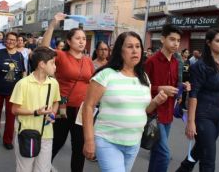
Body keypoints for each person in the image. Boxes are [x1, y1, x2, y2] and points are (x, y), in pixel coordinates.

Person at [82, 31, 167, 172]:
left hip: (134, 143)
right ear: (120, 51)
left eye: (138, 46)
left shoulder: (143, 77)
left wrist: (156, 101)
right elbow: (88, 107)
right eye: (129, 47)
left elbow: (144, 110)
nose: (135, 50)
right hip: (107, 141)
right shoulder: (106, 75)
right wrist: (89, 140)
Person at [42, 12, 94, 172]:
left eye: (84, 39)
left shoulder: (88, 60)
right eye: (78, 38)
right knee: (56, 142)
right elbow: (43, 50)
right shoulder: (61, 56)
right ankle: (41, 167)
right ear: (69, 41)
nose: (81, 41)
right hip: (62, 108)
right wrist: (52, 25)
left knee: (79, 148)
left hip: (82, 111)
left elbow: (92, 82)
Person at [176, 28, 219, 172]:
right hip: (203, 116)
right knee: (208, 160)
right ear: (208, 43)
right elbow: (193, 94)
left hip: (218, 116)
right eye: (218, 40)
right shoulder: (200, 66)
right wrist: (190, 122)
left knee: (198, 152)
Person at [144, 24, 190, 172]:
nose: (176, 43)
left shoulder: (177, 62)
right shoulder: (151, 61)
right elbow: (141, 87)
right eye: (172, 39)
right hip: (153, 113)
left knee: (157, 153)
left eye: (178, 40)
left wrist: (183, 85)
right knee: (164, 155)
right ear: (163, 39)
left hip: (168, 113)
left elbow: (173, 85)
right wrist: (159, 88)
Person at [10, 47, 61, 172]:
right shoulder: (23, 83)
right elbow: (14, 110)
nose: (55, 67)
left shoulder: (53, 83)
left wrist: (53, 113)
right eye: (52, 63)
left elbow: (56, 102)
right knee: (24, 169)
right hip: (27, 134)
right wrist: (36, 112)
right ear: (42, 64)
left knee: (43, 169)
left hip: (47, 134)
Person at [0, 32, 26, 150]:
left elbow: (23, 72)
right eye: (9, 39)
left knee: (11, 116)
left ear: (17, 42)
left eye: (13, 40)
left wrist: (24, 86)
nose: (11, 41)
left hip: (13, 90)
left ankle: (8, 140)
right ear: (5, 41)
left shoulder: (20, 56)